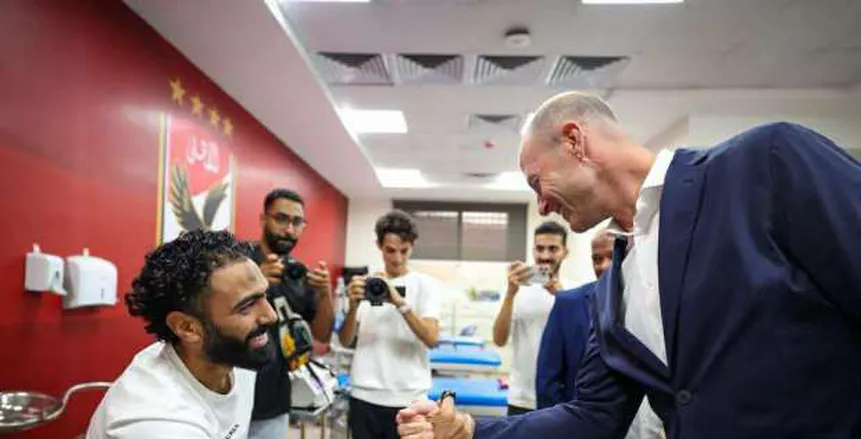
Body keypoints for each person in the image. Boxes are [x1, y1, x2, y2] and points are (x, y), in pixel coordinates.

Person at [395, 91, 861, 438]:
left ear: (574, 141)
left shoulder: (763, 164)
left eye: (537, 182)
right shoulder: (611, 291)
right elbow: (593, 416)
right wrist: (470, 430)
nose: (541, 206)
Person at [86, 230, 278, 438]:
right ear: (188, 328)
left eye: (264, 295)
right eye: (247, 306)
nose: (271, 315)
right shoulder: (157, 422)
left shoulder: (233, 354)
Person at [536, 230, 663, 439]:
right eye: (596, 259)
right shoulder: (568, 304)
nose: (603, 266)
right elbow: (548, 382)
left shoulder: (657, 306)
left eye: (611, 256)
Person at [338, 209, 442, 439]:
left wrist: (400, 304)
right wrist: (353, 306)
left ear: (412, 246)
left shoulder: (425, 285)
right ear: (379, 245)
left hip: (410, 397)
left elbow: (432, 339)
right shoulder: (366, 284)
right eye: (390, 250)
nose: (397, 258)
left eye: (404, 251)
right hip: (364, 396)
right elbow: (345, 341)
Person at [248, 188, 335, 439]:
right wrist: (255, 280)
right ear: (263, 219)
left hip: (273, 400)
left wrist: (325, 294)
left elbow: (322, 335)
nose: (289, 229)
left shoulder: (298, 274)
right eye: (281, 219)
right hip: (228, 392)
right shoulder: (237, 259)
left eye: (297, 222)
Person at [491, 220, 575, 415]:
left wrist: (561, 296)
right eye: (540, 248)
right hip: (521, 397)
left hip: (563, 397)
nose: (545, 256)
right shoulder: (515, 290)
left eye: (553, 249)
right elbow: (499, 339)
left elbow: (582, 340)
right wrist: (510, 293)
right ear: (533, 251)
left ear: (565, 252)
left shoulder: (575, 291)